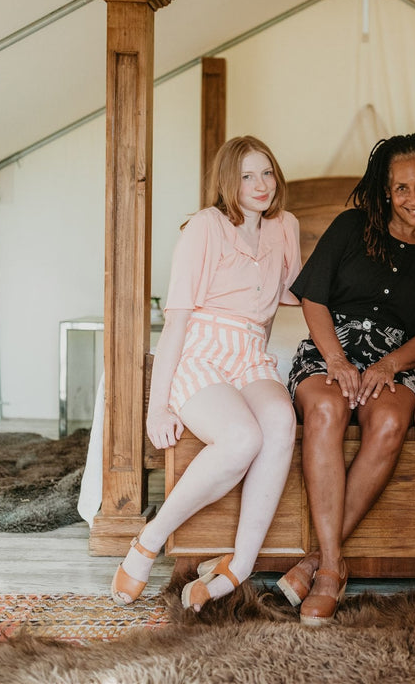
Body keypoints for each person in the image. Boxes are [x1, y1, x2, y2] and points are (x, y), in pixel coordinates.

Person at [111, 135, 301, 611]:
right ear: (226, 182)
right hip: (204, 349)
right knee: (241, 439)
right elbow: (176, 320)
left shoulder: (287, 226)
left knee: (281, 422)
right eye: (246, 176)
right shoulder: (205, 226)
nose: (260, 185)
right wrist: (159, 404)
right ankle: (149, 539)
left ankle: (241, 562)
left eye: (267, 173)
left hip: (250, 352)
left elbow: (289, 297)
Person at [276, 133, 415, 626]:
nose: (414, 198)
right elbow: (312, 297)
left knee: (392, 424)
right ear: (383, 191)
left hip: (393, 359)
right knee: (328, 409)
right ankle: (332, 570)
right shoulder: (352, 226)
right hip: (330, 350)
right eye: (401, 188)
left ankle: (315, 560)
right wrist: (336, 360)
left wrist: (388, 365)